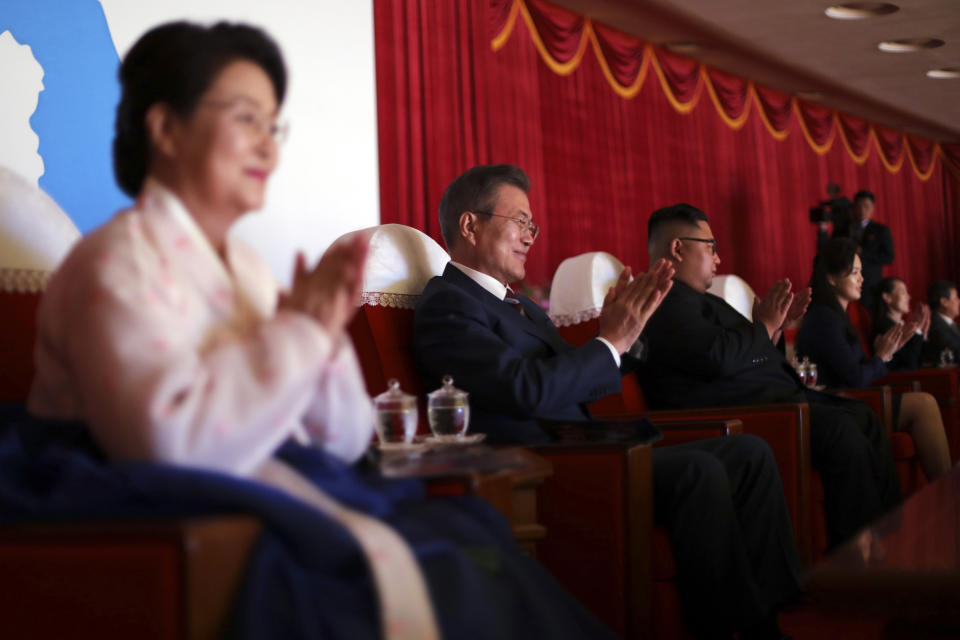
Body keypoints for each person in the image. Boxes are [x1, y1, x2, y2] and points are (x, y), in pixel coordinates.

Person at [24, 22, 615, 640]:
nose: (267, 149)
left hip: (267, 487)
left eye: (271, 126)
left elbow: (340, 439)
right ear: (166, 128)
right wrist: (301, 337)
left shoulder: (243, 269)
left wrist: (325, 343)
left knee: (473, 532)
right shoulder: (116, 260)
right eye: (244, 119)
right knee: (452, 567)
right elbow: (170, 446)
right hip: (159, 512)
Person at [414, 165, 801, 640]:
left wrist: (627, 339)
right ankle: (736, 629)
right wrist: (608, 342)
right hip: (539, 463)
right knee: (701, 471)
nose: (530, 238)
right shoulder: (449, 304)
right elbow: (524, 388)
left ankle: (779, 610)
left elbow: (576, 377)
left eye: (531, 226)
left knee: (750, 454)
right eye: (520, 222)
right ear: (470, 225)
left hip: (589, 445)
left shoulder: (523, 306)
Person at [638, 204, 902, 550]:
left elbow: (746, 355)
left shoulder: (706, 301)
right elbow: (716, 358)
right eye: (711, 247)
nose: (718, 259)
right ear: (677, 248)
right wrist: (764, 326)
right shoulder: (667, 300)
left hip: (777, 398)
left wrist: (775, 331)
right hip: (746, 413)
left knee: (864, 416)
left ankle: (894, 535)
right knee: (843, 428)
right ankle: (856, 556)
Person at [796, 239, 950, 481]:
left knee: (924, 401)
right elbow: (855, 377)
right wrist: (881, 356)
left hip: (857, 397)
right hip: (838, 404)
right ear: (832, 278)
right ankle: (947, 491)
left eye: (861, 273)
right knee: (924, 403)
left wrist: (886, 354)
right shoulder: (825, 318)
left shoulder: (837, 315)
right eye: (854, 273)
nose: (861, 280)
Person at [874, 276, 930, 371]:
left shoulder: (903, 324)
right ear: (887, 297)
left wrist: (923, 333)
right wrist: (917, 330)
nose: (908, 297)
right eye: (903, 292)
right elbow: (910, 363)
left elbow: (924, 360)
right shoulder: (886, 327)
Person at [925, 280, 960, 364]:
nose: (959, 301)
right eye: (956, 298)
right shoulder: (933, 325)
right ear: (944, 302)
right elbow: (955, 351)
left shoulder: (953, 324)